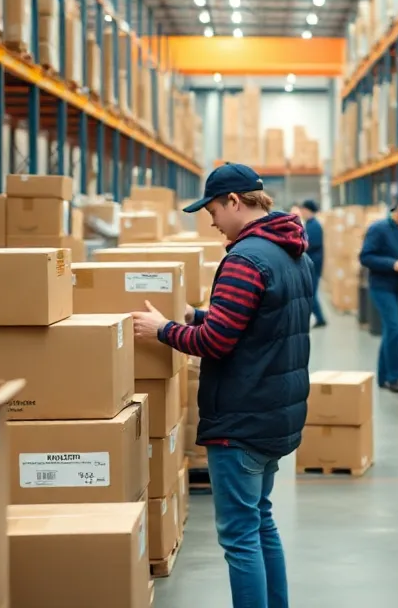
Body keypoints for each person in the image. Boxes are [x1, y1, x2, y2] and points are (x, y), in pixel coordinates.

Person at [130, 163, 313, 608]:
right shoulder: (293, 252)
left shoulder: (245, 259)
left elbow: (216, 343)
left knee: (239, 537)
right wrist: (196, 315)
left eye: (212, 209)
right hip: (276, 415)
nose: (210, 221)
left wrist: (163, 330)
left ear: (235, 202)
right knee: (261, 521)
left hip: (241, 420)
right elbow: (259, 325)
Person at [359, 188, 398, 392]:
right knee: (394, 328)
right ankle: (395, 377)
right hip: (382, 286)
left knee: (390, 329)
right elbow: (366, 257)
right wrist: (393, 264)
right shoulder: (379, 228)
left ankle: (382, 376)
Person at [299, 199, 327, 328]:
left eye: (303, 210)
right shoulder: (310, 224)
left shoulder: (314, 225)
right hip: (313, 263)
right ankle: (320, 318)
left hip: (314, 264)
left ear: (307, 210)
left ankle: (320, 318)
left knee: (311, 292)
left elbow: (311, 244)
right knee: (311, 292)